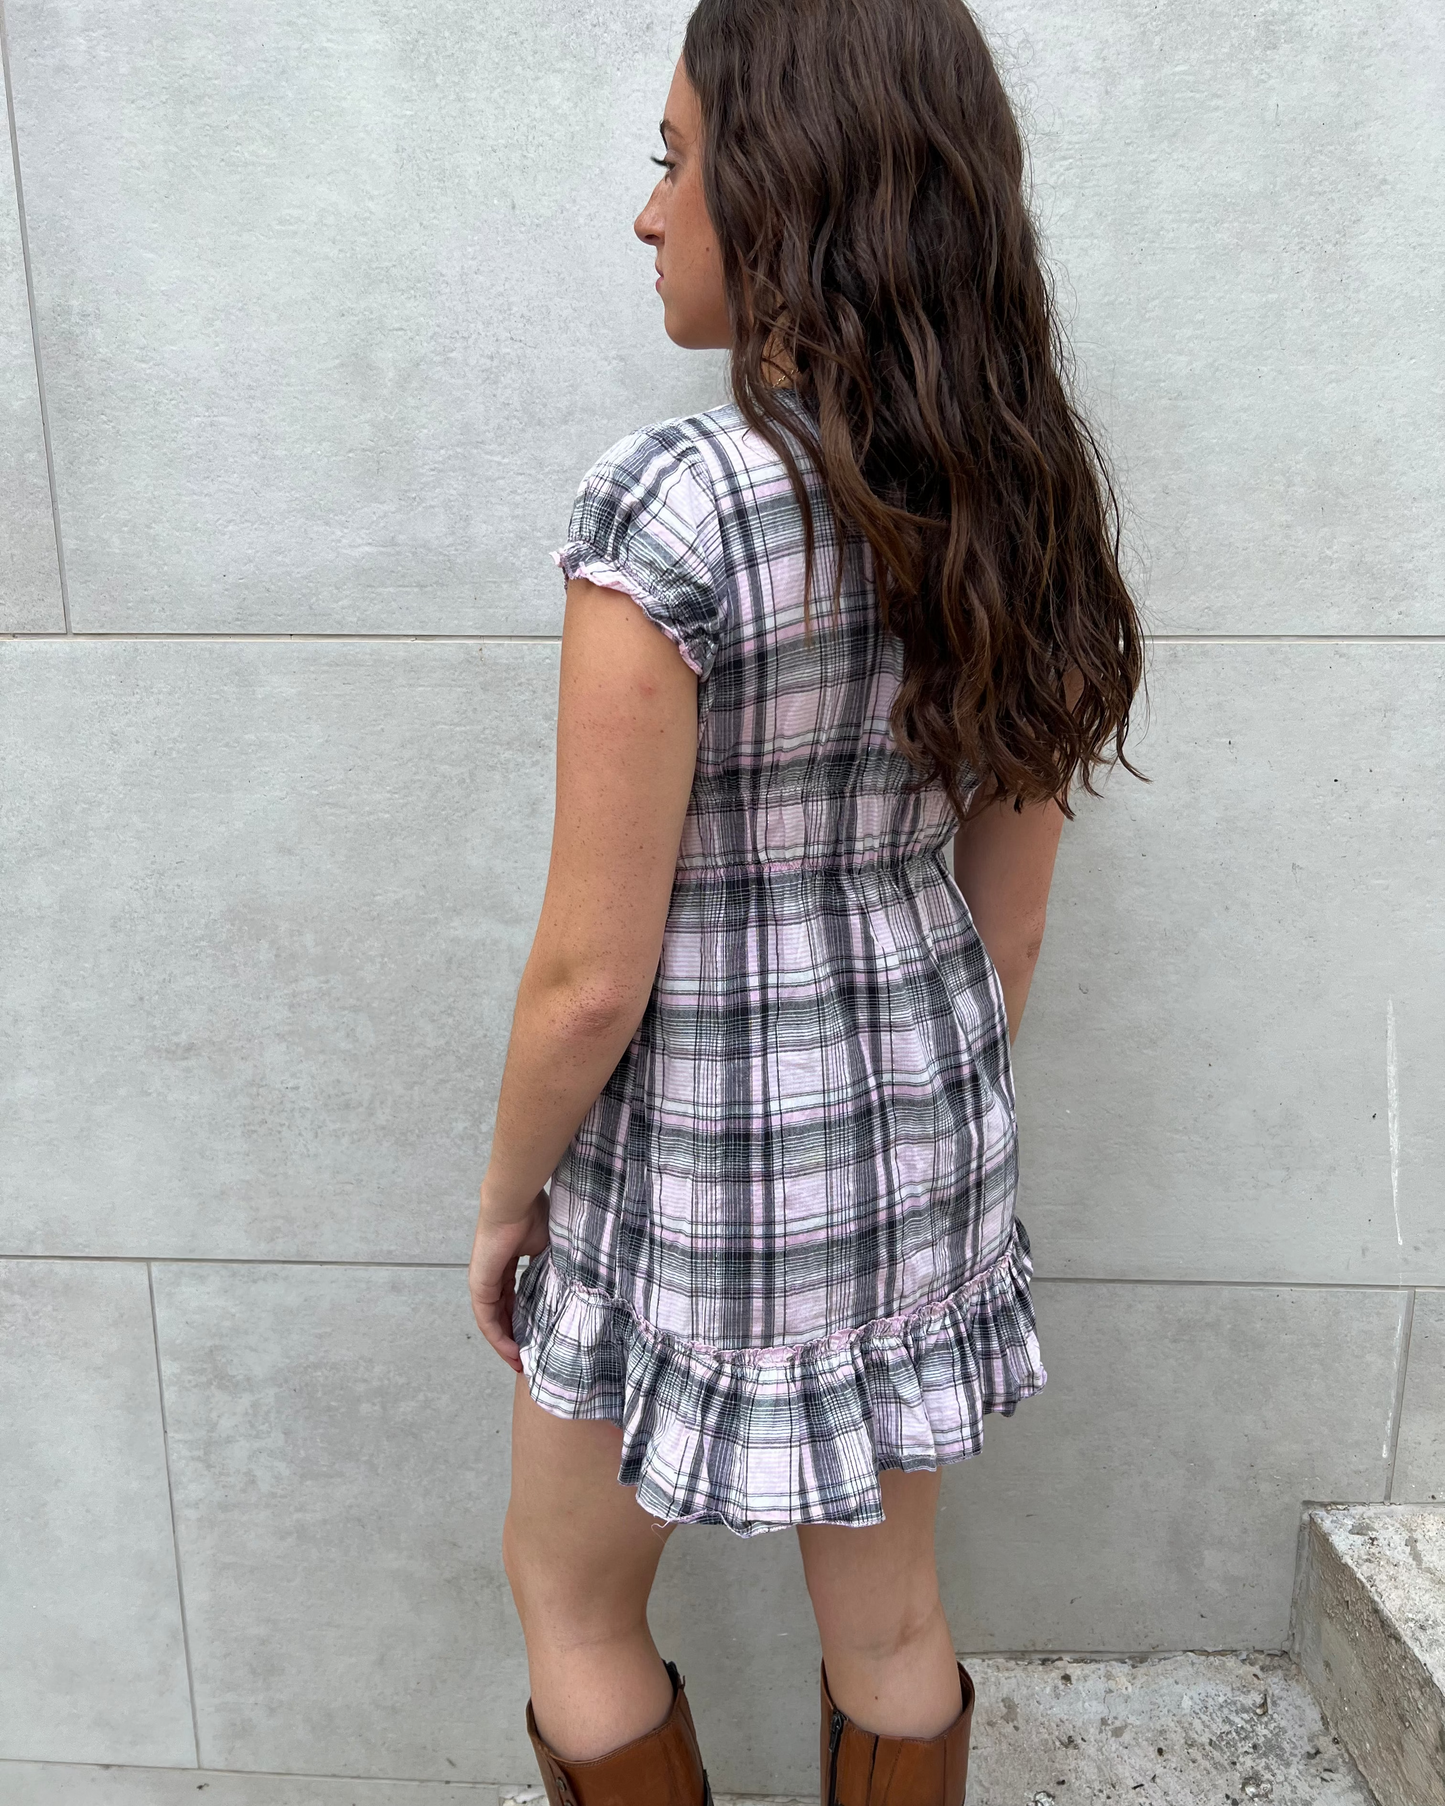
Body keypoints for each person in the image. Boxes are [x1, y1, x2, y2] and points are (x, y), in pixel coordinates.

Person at [468, 1, 1143, 1799]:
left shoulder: (677, 507)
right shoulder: (1014, 494)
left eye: (676, 162)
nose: (650, 212)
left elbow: (591, 977)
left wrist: (503, 1202)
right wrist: (910, 1134)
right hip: (916, 1135)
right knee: (894, 1614)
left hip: (685, 1158)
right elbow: (1010, 922)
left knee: (570, 1588)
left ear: (786, 192)